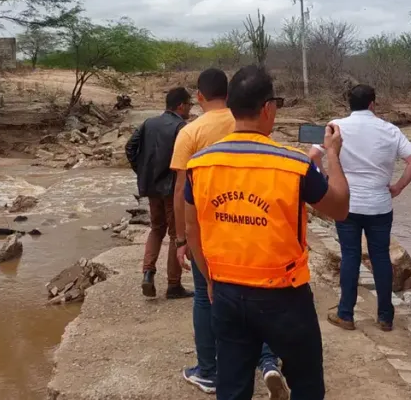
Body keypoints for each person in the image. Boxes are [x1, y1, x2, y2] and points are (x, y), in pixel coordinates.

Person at [184, 65, 351, 400]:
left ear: (232, 105)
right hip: (285, 296)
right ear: (268, 108)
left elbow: (192, 229)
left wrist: (211, 280)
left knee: (232, 387)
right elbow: (340, 207)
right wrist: (332, 154)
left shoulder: (200, 164)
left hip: (228, 293)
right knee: (305, 384)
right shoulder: (293, 164)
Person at [170, 68, 286, 396]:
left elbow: (181, 191)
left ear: (199, 96)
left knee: (207, 301)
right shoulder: (248, 121)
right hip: (251, 221)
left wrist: (181, 240)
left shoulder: (191, 132)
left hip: (208, 232)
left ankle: (208, 370)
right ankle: (267, 361)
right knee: (256, 294)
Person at [316, 84, 411, 332]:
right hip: (379, 205)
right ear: (373, 104)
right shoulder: (390, 130)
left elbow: (313, 155)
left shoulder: (336, 126)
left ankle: (346, 314)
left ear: (348, 104)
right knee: (381, 258)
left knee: (350, 256)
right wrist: (398, 187)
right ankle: (385, 317)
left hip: (348, 204)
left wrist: (328, 182)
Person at [125, 86, 195, 299]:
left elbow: (130, 148)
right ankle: (173, 285)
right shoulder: (181, 127)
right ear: (181, 105)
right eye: (189, 105)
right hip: (173, 188)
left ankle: (148, 273)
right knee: (175, 235)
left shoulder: (148, 123)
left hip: (151, 187)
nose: (191, 109)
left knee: (156, 229)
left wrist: (142, 171)